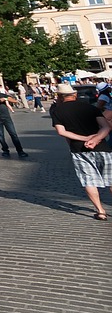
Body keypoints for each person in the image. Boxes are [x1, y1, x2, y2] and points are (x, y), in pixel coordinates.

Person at [49, 82, 112, 220]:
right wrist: (95, 139)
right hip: (102, 147)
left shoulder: (57, 112)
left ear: (59, 97)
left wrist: (83, 138)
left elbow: (61, 132)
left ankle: (101, 211)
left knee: (89, 180)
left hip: (79, 150)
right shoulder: (90, 107)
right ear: (75, 95)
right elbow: (106, 127)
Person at [0, 80, 27, 158]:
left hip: (6, 117)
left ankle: (20, 151)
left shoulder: (2, 95)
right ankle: (5, 150)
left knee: (13, 134)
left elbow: (14, 100)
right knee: (0, 135)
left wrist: (5, 99)